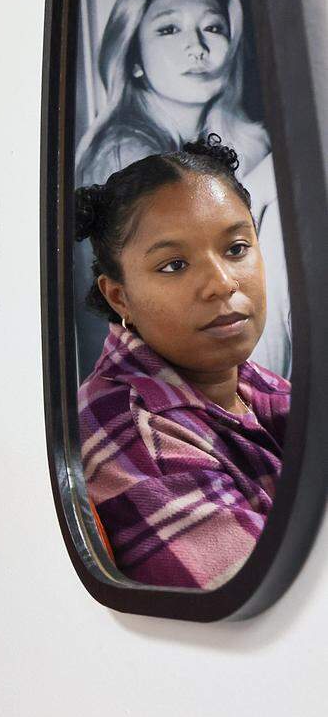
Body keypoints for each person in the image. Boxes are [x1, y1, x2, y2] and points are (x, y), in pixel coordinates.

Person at [75, 135, 289, 590]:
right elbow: (282, 609)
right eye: (174, 265)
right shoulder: (138, 436)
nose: (221, 283)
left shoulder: (252, 385)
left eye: (236, 248)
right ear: (119, 296)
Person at [74, 0, 289, 377]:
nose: (197, 48)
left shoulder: (240, 139)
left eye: (212, 26)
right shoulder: (123, 155)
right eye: (169, 30)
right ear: (132, 54)